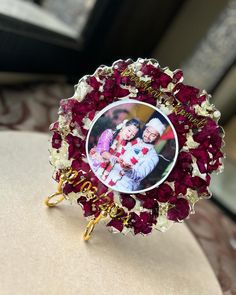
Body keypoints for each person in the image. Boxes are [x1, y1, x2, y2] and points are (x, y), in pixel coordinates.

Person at [103, 118, 166, 192]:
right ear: (144, 129)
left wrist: (127, 170)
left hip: (121, 187)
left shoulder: (153, 157)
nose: (147, 136)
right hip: (106, 176)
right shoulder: (133, 140)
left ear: (157, 138)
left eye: (153, 135)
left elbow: (139, 176)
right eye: (147, 131)